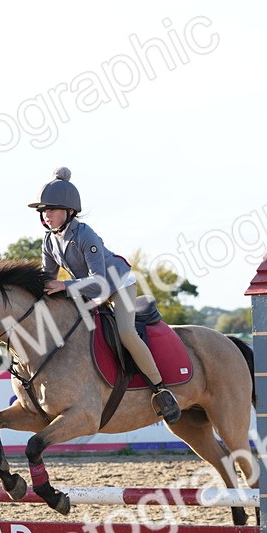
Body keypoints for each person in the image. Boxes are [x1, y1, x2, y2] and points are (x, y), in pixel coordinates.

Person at [29, 167, 181, 424]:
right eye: (43, 212)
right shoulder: (49, 240)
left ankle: (161, 389)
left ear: (69, 211)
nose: (47, 216)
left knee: (125, 332)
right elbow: (48, 277)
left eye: (51, 210)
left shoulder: (86, 235)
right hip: (87, 288)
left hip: (117, 284)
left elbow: (99, 282)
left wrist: (65, 287)